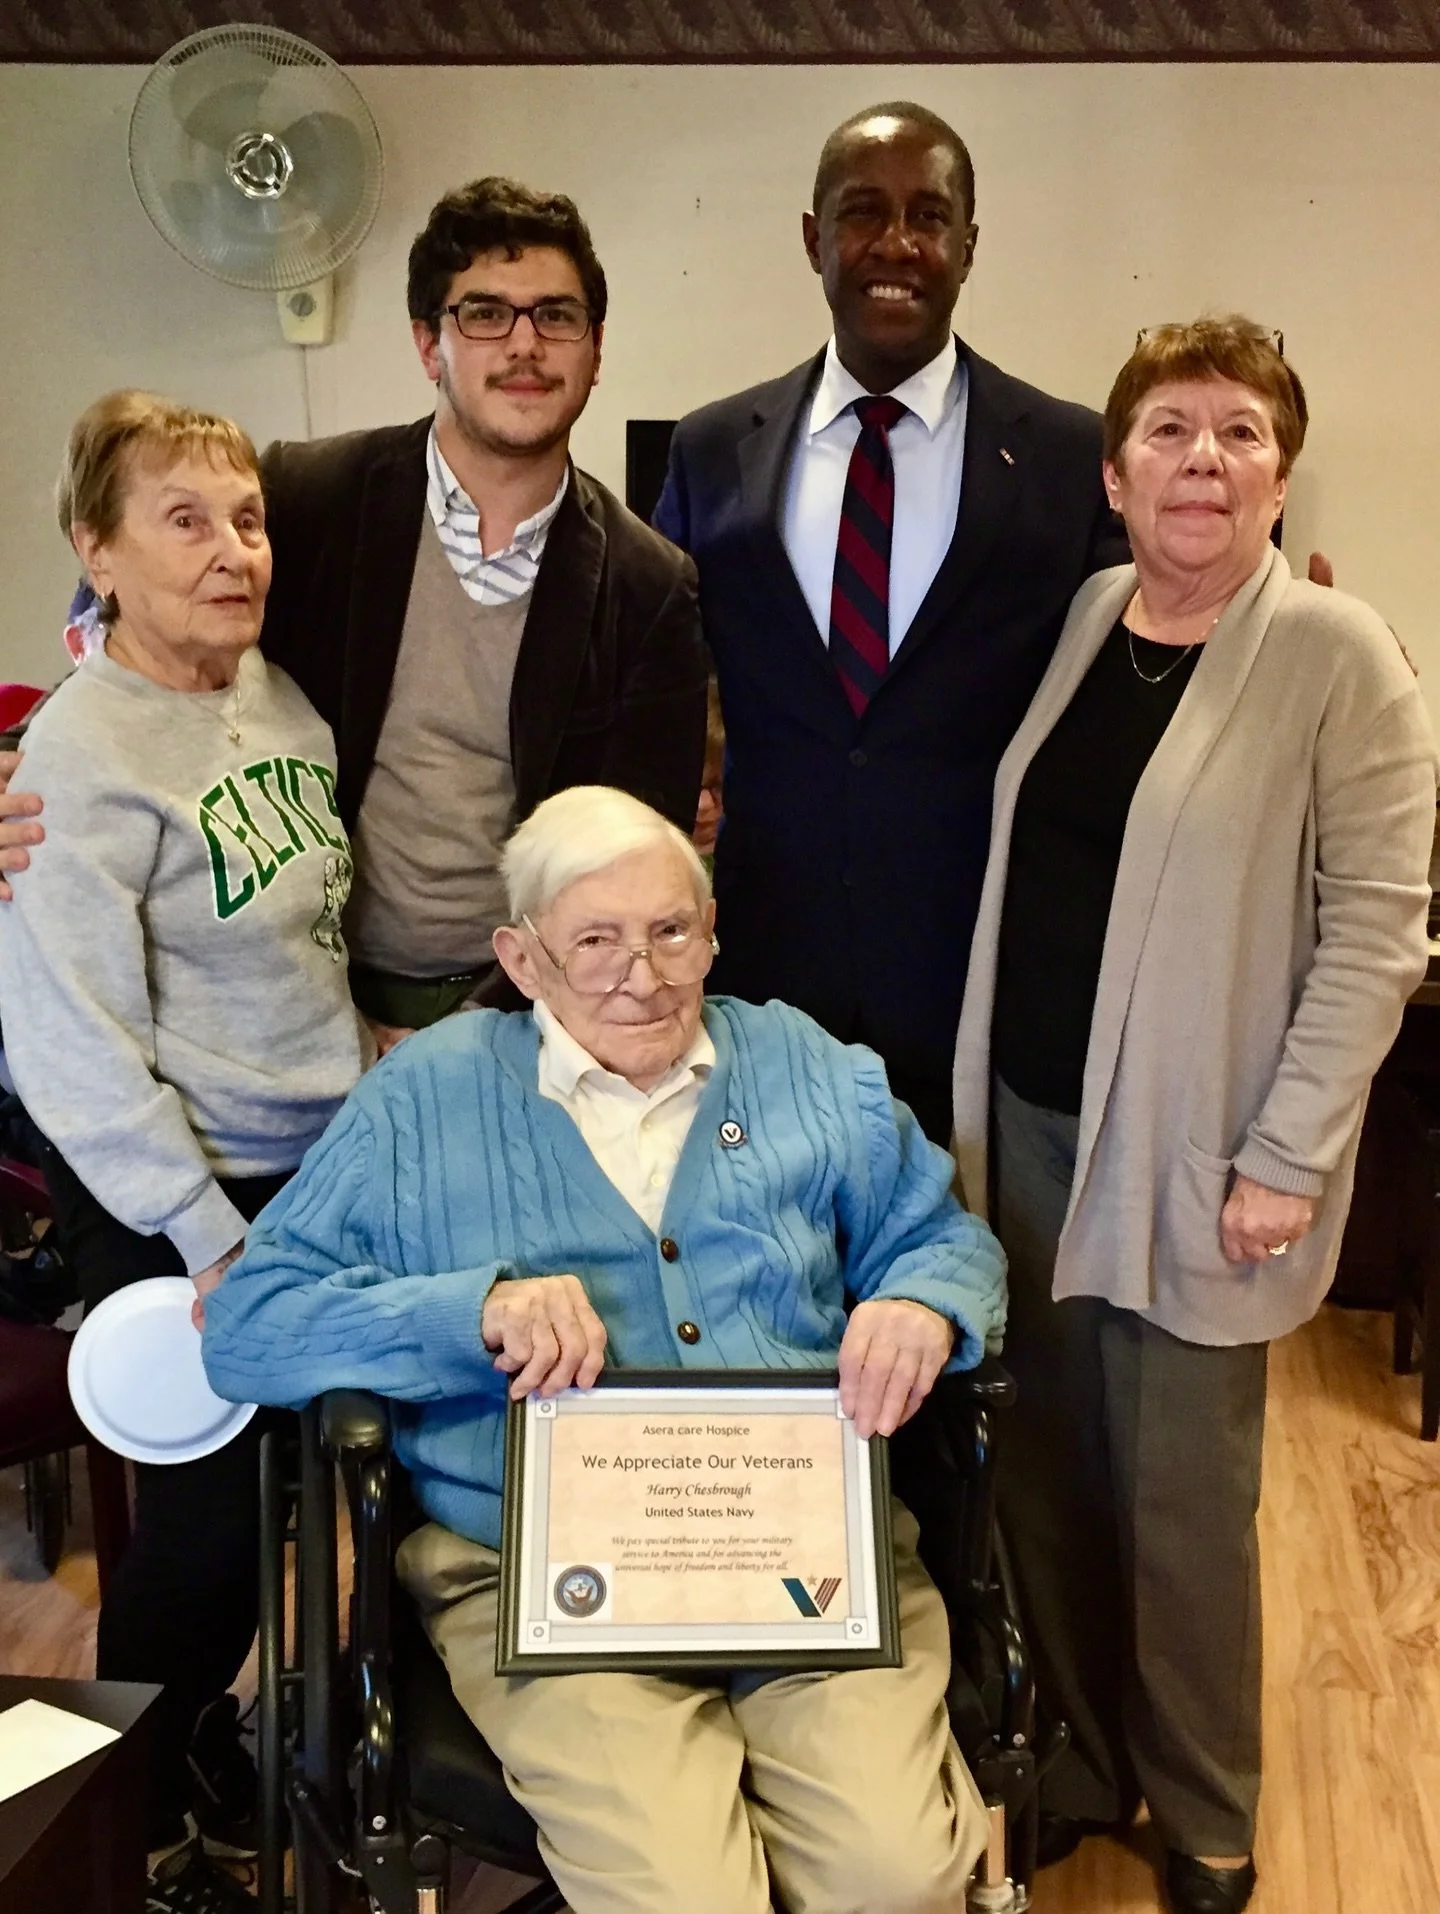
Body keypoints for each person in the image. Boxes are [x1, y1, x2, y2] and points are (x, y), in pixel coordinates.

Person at [201, 784, 1008, 1914]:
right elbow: (249, 1327)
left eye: (673, 931)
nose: (646, 972)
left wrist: (923, 1302)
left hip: (805, 1561)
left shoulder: (811, 1069)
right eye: (596, 941)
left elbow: (944, 1240)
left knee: (896, 1880)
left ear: (713, 929)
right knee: (688, 1898)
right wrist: (465, 1314)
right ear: (521, 960)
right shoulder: (424, 1099)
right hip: (548, 1584)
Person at [950, 318, 1437, 1913]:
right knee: (1051, 1472)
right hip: (1028, 1128)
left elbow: (1378, 925)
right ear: (1116, 471)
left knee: (1181, 1505)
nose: (1203, 459)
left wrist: (1288, 1155)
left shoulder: (1337, 652)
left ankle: (1209, 1812)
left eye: (1239, 431)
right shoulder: (1097, 614)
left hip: (1201, 1160)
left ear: (1280, 470)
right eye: (1170, 429)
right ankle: (1090, 1758)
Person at [0, 177, 708, 1052]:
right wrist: (20, 759)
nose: (524, 344)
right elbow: (137, 633)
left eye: (556, 316)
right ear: (428, 344)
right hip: (289, 990)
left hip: (523, 1011)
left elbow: (632, 853)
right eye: (485, 313)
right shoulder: (304, 497)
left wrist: (473, 1033)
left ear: (595, 349)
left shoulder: (648, 586)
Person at [0, 391, 371, 1914]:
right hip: (170, 1193)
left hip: (306, 1165)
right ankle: (123, 1822)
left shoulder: (278, 700)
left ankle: (208, 1739)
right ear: (97, 547)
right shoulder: (79, 756)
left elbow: (298, 950)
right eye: (184, 520)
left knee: (301, 1499)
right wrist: (207, 1230)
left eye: (248, 519)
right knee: (212, 1522)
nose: (233, 551)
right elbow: (71, 1038)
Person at [655, 101, 1127, 1143]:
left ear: (969, 244)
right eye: (865, 212)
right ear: (813, 237)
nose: (898, 244)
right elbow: (655, 673)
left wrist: (1276, 656)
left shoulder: (1065, 456)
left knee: (964, 1291)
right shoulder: (709, 451)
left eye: (930, 215)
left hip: (983, 981)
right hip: (762, 973)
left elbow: (1135, 685)